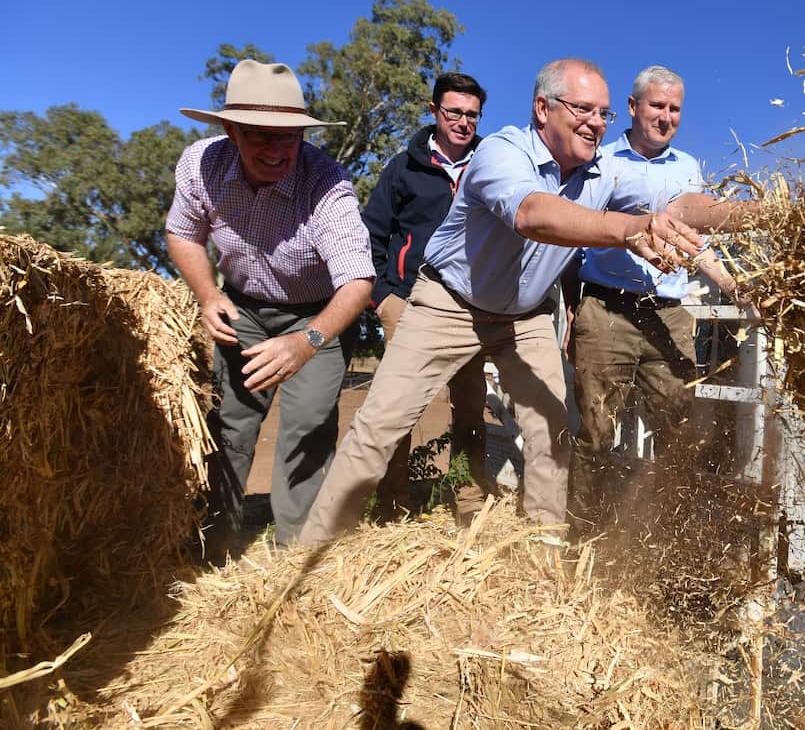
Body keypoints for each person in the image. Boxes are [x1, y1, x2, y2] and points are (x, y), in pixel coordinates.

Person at [298, 58, 742, 545]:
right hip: (450, 304)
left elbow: (681, 206)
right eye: (583, 109)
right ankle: (314, 550)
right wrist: (629, 229)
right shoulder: (502, 153)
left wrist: (764, 210)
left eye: (604, 114)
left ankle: (545, 553)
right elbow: (532, 214)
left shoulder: (603, 170)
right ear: (542, 108)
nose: (596, 122)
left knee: (551, 432)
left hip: (525, 317)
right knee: (379, 425)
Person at [166, 59, 374, 548]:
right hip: (243, 309)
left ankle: (297, 550)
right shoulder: (202, 164)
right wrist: (208, 293)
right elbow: (183, 233)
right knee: (229, 424)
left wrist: (308, 341)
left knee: (308, 427)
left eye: (288, 136)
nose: (276, 149)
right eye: (260, 135)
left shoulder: (328, 185)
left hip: (318, 315)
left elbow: (358, 281)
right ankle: (211, 542)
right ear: (232, 131)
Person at [564, 66, 754, 525]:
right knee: (596, 428)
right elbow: (573, 236)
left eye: (675, 109)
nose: (666, 117)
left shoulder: (688, 168)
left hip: (669, 313)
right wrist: (571, 308)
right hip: (608, 309)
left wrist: (733, 286)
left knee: (681, 422)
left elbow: (697, 242)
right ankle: (583, 528)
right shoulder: (602, 162)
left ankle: (666, 530)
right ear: (633, 108)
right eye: (656, 106)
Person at [362, 72, 492, 522]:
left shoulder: (491, 166)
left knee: (471, 406)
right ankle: (394, 503)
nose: (463, 121)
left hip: (470, 305)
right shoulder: (403, 168)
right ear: (434, 111)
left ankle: (469, 501)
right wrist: (383, 297)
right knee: (398, 407)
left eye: (472, 114)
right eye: (453, 112)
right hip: (408, 301)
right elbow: (372, 235)